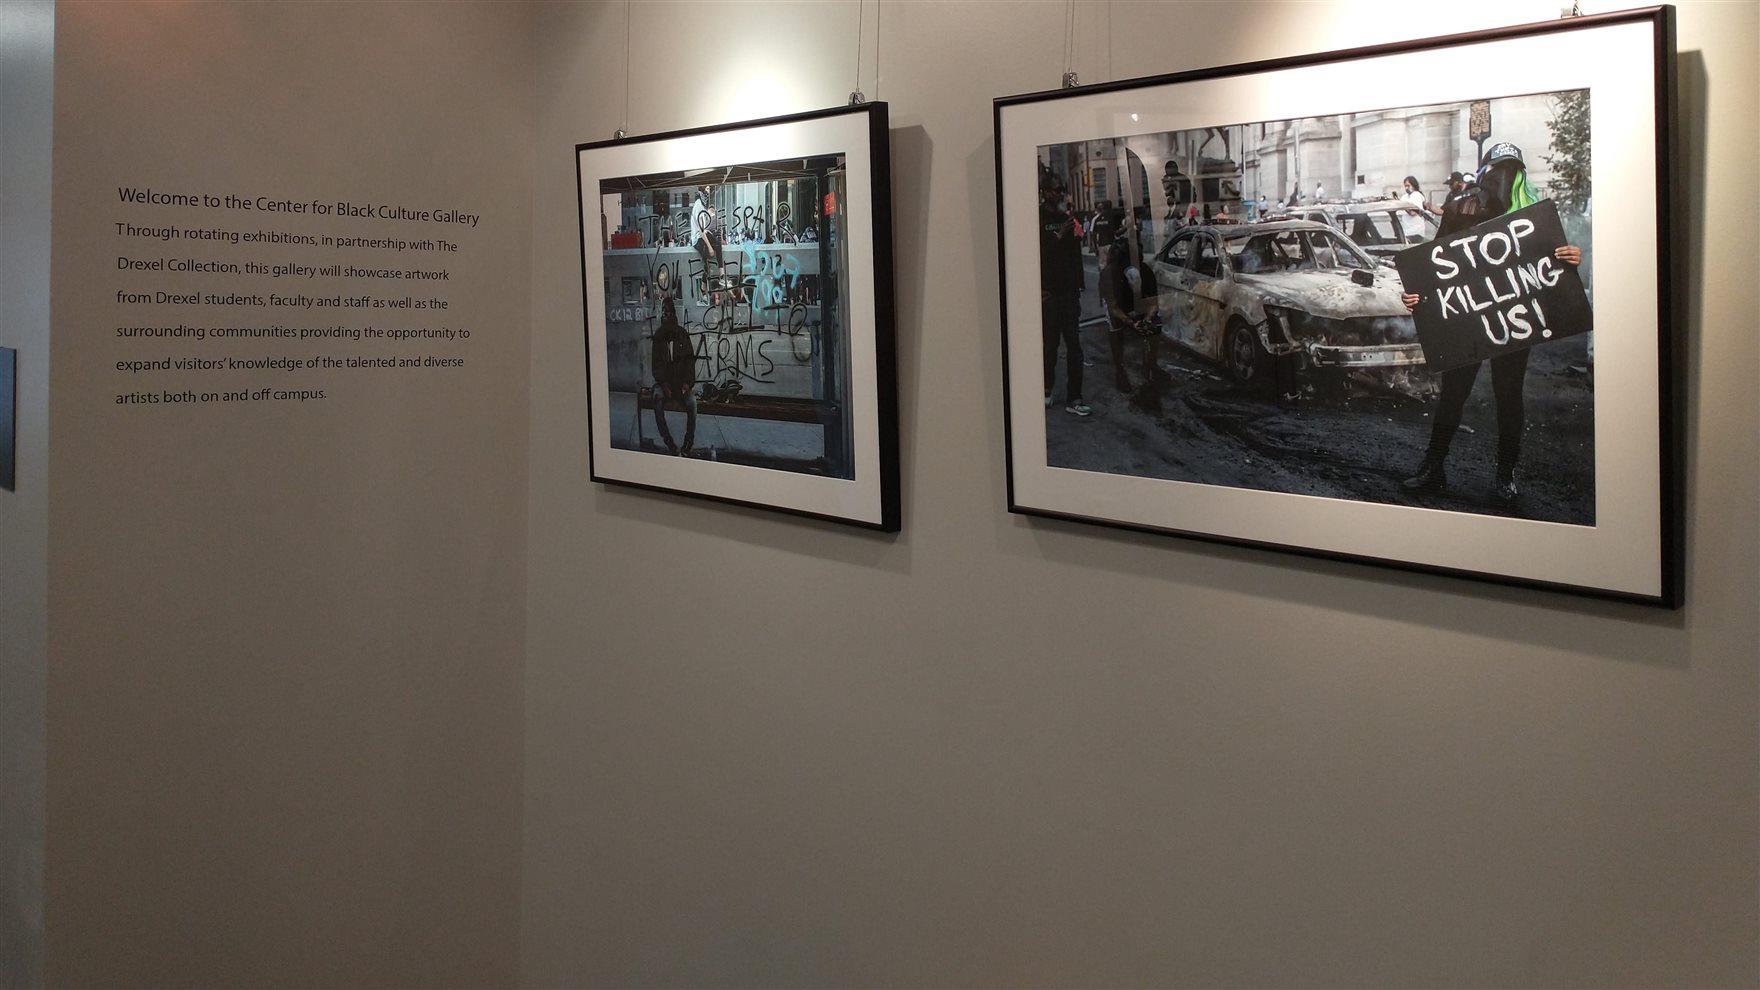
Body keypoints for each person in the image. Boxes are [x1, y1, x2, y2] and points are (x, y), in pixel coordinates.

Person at [1399, 142, 1583, 503]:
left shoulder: (1533, 213)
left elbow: (1551, 266)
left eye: (1511, 171)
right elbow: (1435, 262)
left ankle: (1506, 474)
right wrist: (1416, 296)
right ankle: (1432, 467)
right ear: (1484, 172)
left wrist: (1570, 258)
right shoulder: (1460, 207)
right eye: (1498, 170)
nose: (1504, 179)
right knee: (1454, 393)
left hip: (1515, 317)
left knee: (1509, 395)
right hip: (1467, 317)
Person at [1040, 183, 1089, 415]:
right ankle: (1047, 389)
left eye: (1061, 189)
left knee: (1074, 346)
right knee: (1050, 346)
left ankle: (1075, 397)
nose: (1058, 193)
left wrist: (1079, 285)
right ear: (1044, 192)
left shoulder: (1067, 217)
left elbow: (1074, 256)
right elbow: (1035, 254)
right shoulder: (1036, 218)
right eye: (1053, 189)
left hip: (1069, 293)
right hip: (1049, 294)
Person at [1100, 238, 1161, 401]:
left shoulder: (1146, 271)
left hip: (1137, 303)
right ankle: (1120, 370)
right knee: (1115, 329)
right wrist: (1131, 322)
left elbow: (1154, 302)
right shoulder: (1108, 274)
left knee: (1155, 325)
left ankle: (1151, 366)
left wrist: (1147, 318)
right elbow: (1113, 307)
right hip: (1119, 304)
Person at [649, 295, 698, 455]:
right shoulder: (658, 337)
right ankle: (669, 443)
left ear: (674, 314)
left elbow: (690, 362)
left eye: (668, 312)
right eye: (664, 311)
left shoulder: (682, 334)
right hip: (665, 385)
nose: (666, 314)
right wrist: (663, 384)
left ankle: (688, 442)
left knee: (692, 404)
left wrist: (687, 384)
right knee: (656, 400)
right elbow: (655, 364)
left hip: (680, 384)